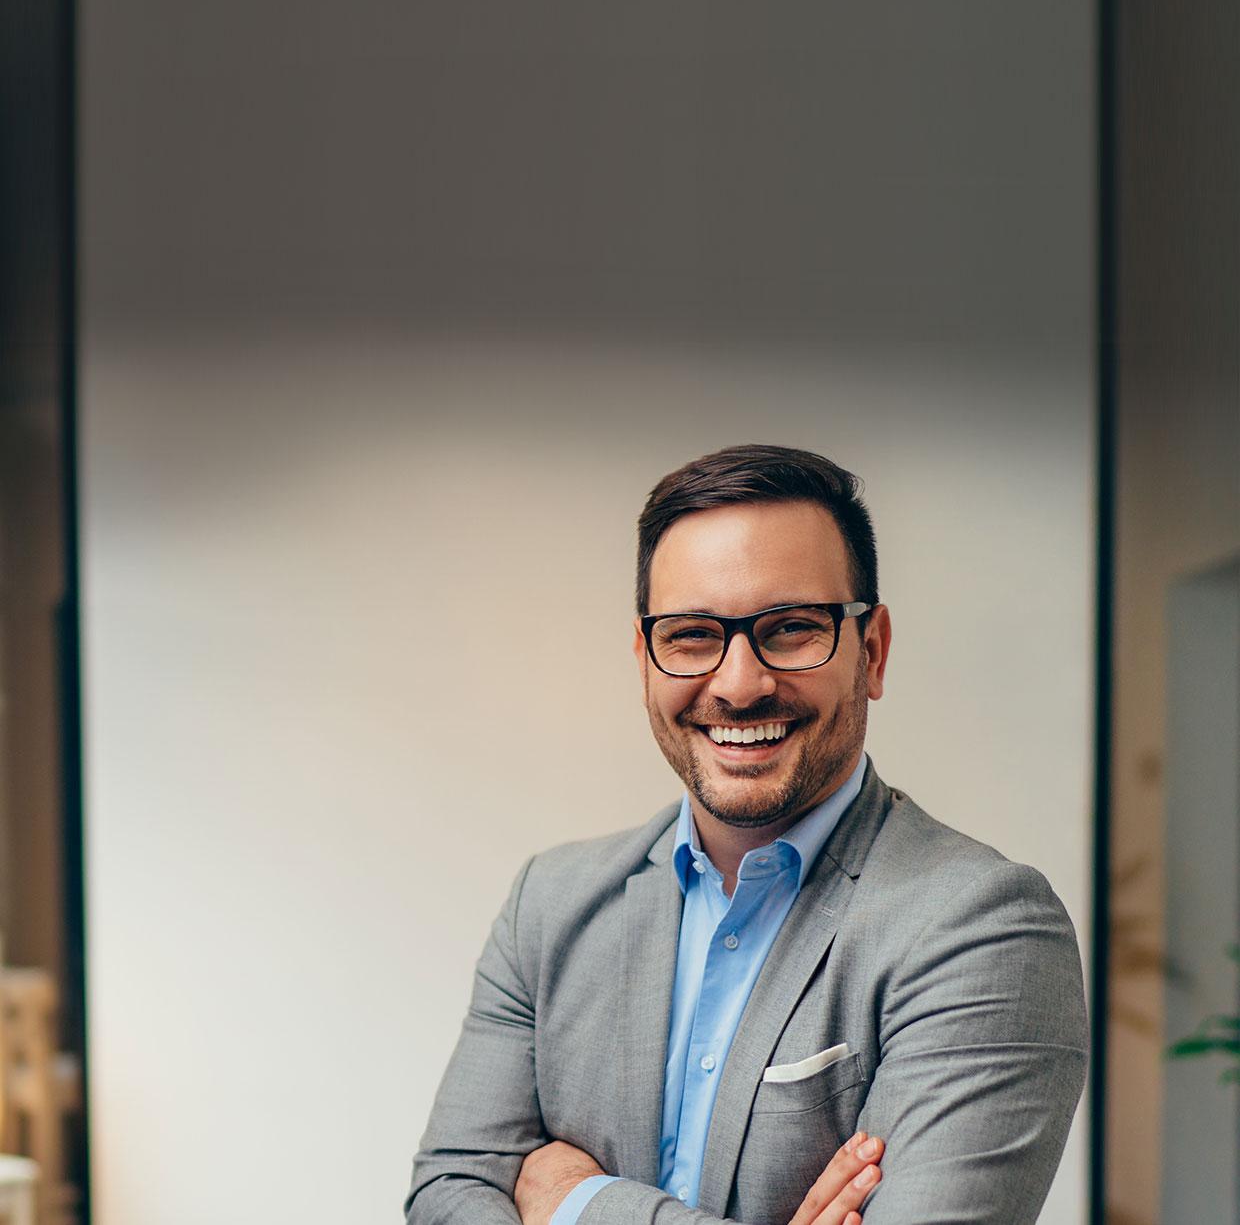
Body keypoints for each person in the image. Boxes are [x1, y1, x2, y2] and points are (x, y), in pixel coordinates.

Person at [406, 445, 1088, 1225]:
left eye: (791, 628)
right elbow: (444, 1201)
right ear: (644, 660)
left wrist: (576, 1202)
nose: (738, 684)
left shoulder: (985, 928)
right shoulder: (549, 905)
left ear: (872, 650)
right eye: (693, 634)